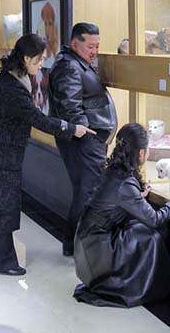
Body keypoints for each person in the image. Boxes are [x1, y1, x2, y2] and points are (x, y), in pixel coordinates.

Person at [0, 34, 94, 275]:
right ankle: (4, 262)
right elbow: (37, 119)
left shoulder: (12, 77)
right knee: (2, 204)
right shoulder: (13, 87)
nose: (41, 64)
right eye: (39, 59)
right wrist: (71, 128)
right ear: (26, 58)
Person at [73, 123, 170, 307]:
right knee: (151, 236)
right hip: (97, 253)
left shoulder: (113, 170)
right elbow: (155, 220)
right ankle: (143, 288)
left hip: (86, 245)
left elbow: (115, 200)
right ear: (142, 153)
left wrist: (138, 196)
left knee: (139, 228)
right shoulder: (126, 183)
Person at [49, 22, 117, 256]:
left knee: (86, 190)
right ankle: (78, 246)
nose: (95, 51)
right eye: (90, 46)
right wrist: (87, 133)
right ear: (75, 44)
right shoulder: (69, 66)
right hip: (84, 141)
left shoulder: (78, 63)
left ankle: (77, 245)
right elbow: (70, 105)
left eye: (97, 46)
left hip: (89, 140)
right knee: (88, 191)